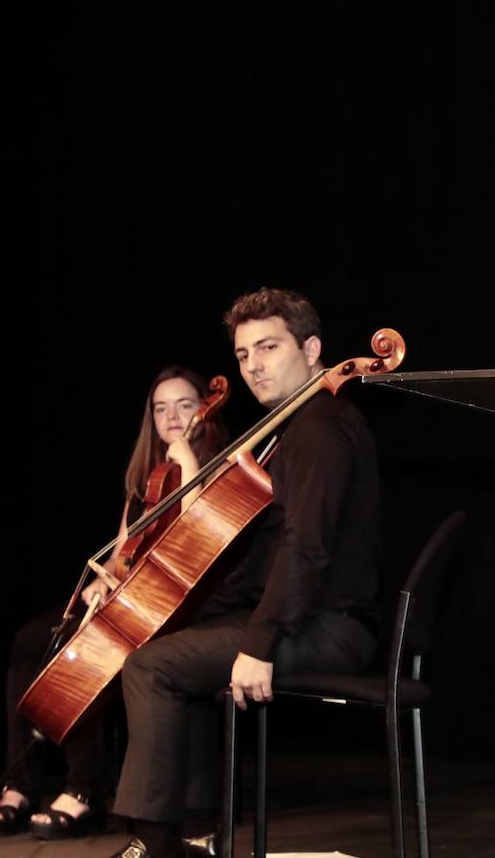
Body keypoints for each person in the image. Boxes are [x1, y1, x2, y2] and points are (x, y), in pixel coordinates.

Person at [109, 288, 382, 858]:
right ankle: (191, 832)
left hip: (328, 628)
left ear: (311, 350)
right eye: (242, 354)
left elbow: (306, 550)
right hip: (302, 616)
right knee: (169, 653)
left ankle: (156, 846)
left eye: (268, 347)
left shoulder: (321, 427)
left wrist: (258, 644)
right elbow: (260, 558)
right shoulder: (292, 426)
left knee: (151, 667)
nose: (253, 365)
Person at [0, 366, 227, 840]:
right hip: (131, 597)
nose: (171, 416)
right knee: (31, 641)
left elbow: (200, 537)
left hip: (175, 608)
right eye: (160, 408)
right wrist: (104, 582)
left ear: (204, 410)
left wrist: (189, 466)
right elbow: (122, 553)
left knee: (86, 647)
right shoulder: (148, 474)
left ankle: (84, 790)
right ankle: (20, 784)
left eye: (183, 405)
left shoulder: (219, 464)